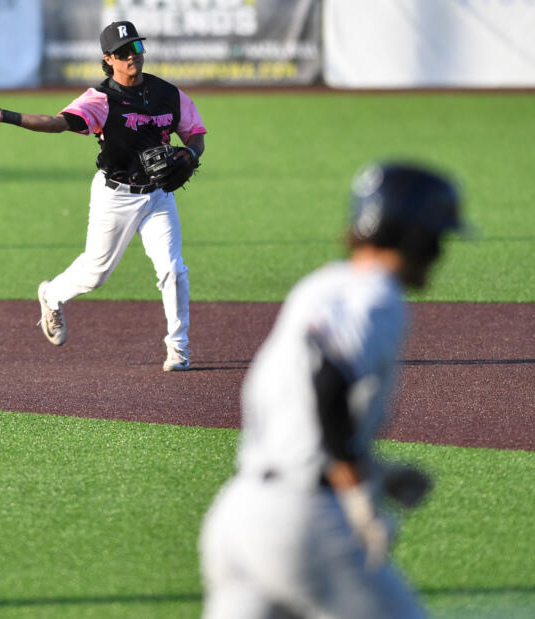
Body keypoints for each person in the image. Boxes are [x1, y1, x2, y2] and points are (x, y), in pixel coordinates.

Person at [199, 161, 464, 618]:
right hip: (302, 521)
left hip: (237, 514)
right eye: (438, 237)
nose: (441, 251)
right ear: (414, 236)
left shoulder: (320, 285)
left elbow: (294, 403)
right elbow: (328, 380)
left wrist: (374, 468)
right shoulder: (378, 296)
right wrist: (358, 485)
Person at [0, 21, 206, 371]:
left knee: (173, 268)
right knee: (96, 274)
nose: (132, 58)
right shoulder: (101, 99)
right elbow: (56, 121)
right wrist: (6, 116)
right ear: (109, 59)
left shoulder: (169, 94)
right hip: (116, 195)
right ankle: (51, 294)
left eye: (136, 49)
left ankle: (179, 348)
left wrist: (191, 154)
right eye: (123, 53)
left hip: (157, 196)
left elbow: (195, 133)